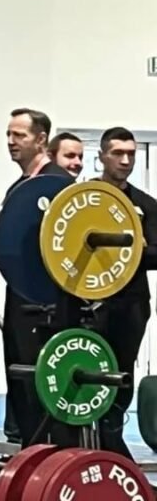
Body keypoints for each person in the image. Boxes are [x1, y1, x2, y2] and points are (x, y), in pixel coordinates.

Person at [0, 108, 76, 451]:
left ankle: (55, 462)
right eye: (8, 134)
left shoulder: (59, 184)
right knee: (22, 385)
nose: (10, 141)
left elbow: (64, 245)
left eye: (19, 135)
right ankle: (32, 459)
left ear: (41, 139)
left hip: (50, 306)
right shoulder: (20, 187)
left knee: (43, 387)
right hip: (20, 300)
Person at [89, 127, 157, 456]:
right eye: (118, 153)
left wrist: (134, 251)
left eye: (131, 153)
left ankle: (112, 437)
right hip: (86, 303)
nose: (126, 160)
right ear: (102, 156)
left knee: (122, 373)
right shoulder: (84, 199)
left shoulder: (146, 205)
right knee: (88, 370)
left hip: (130, 305)